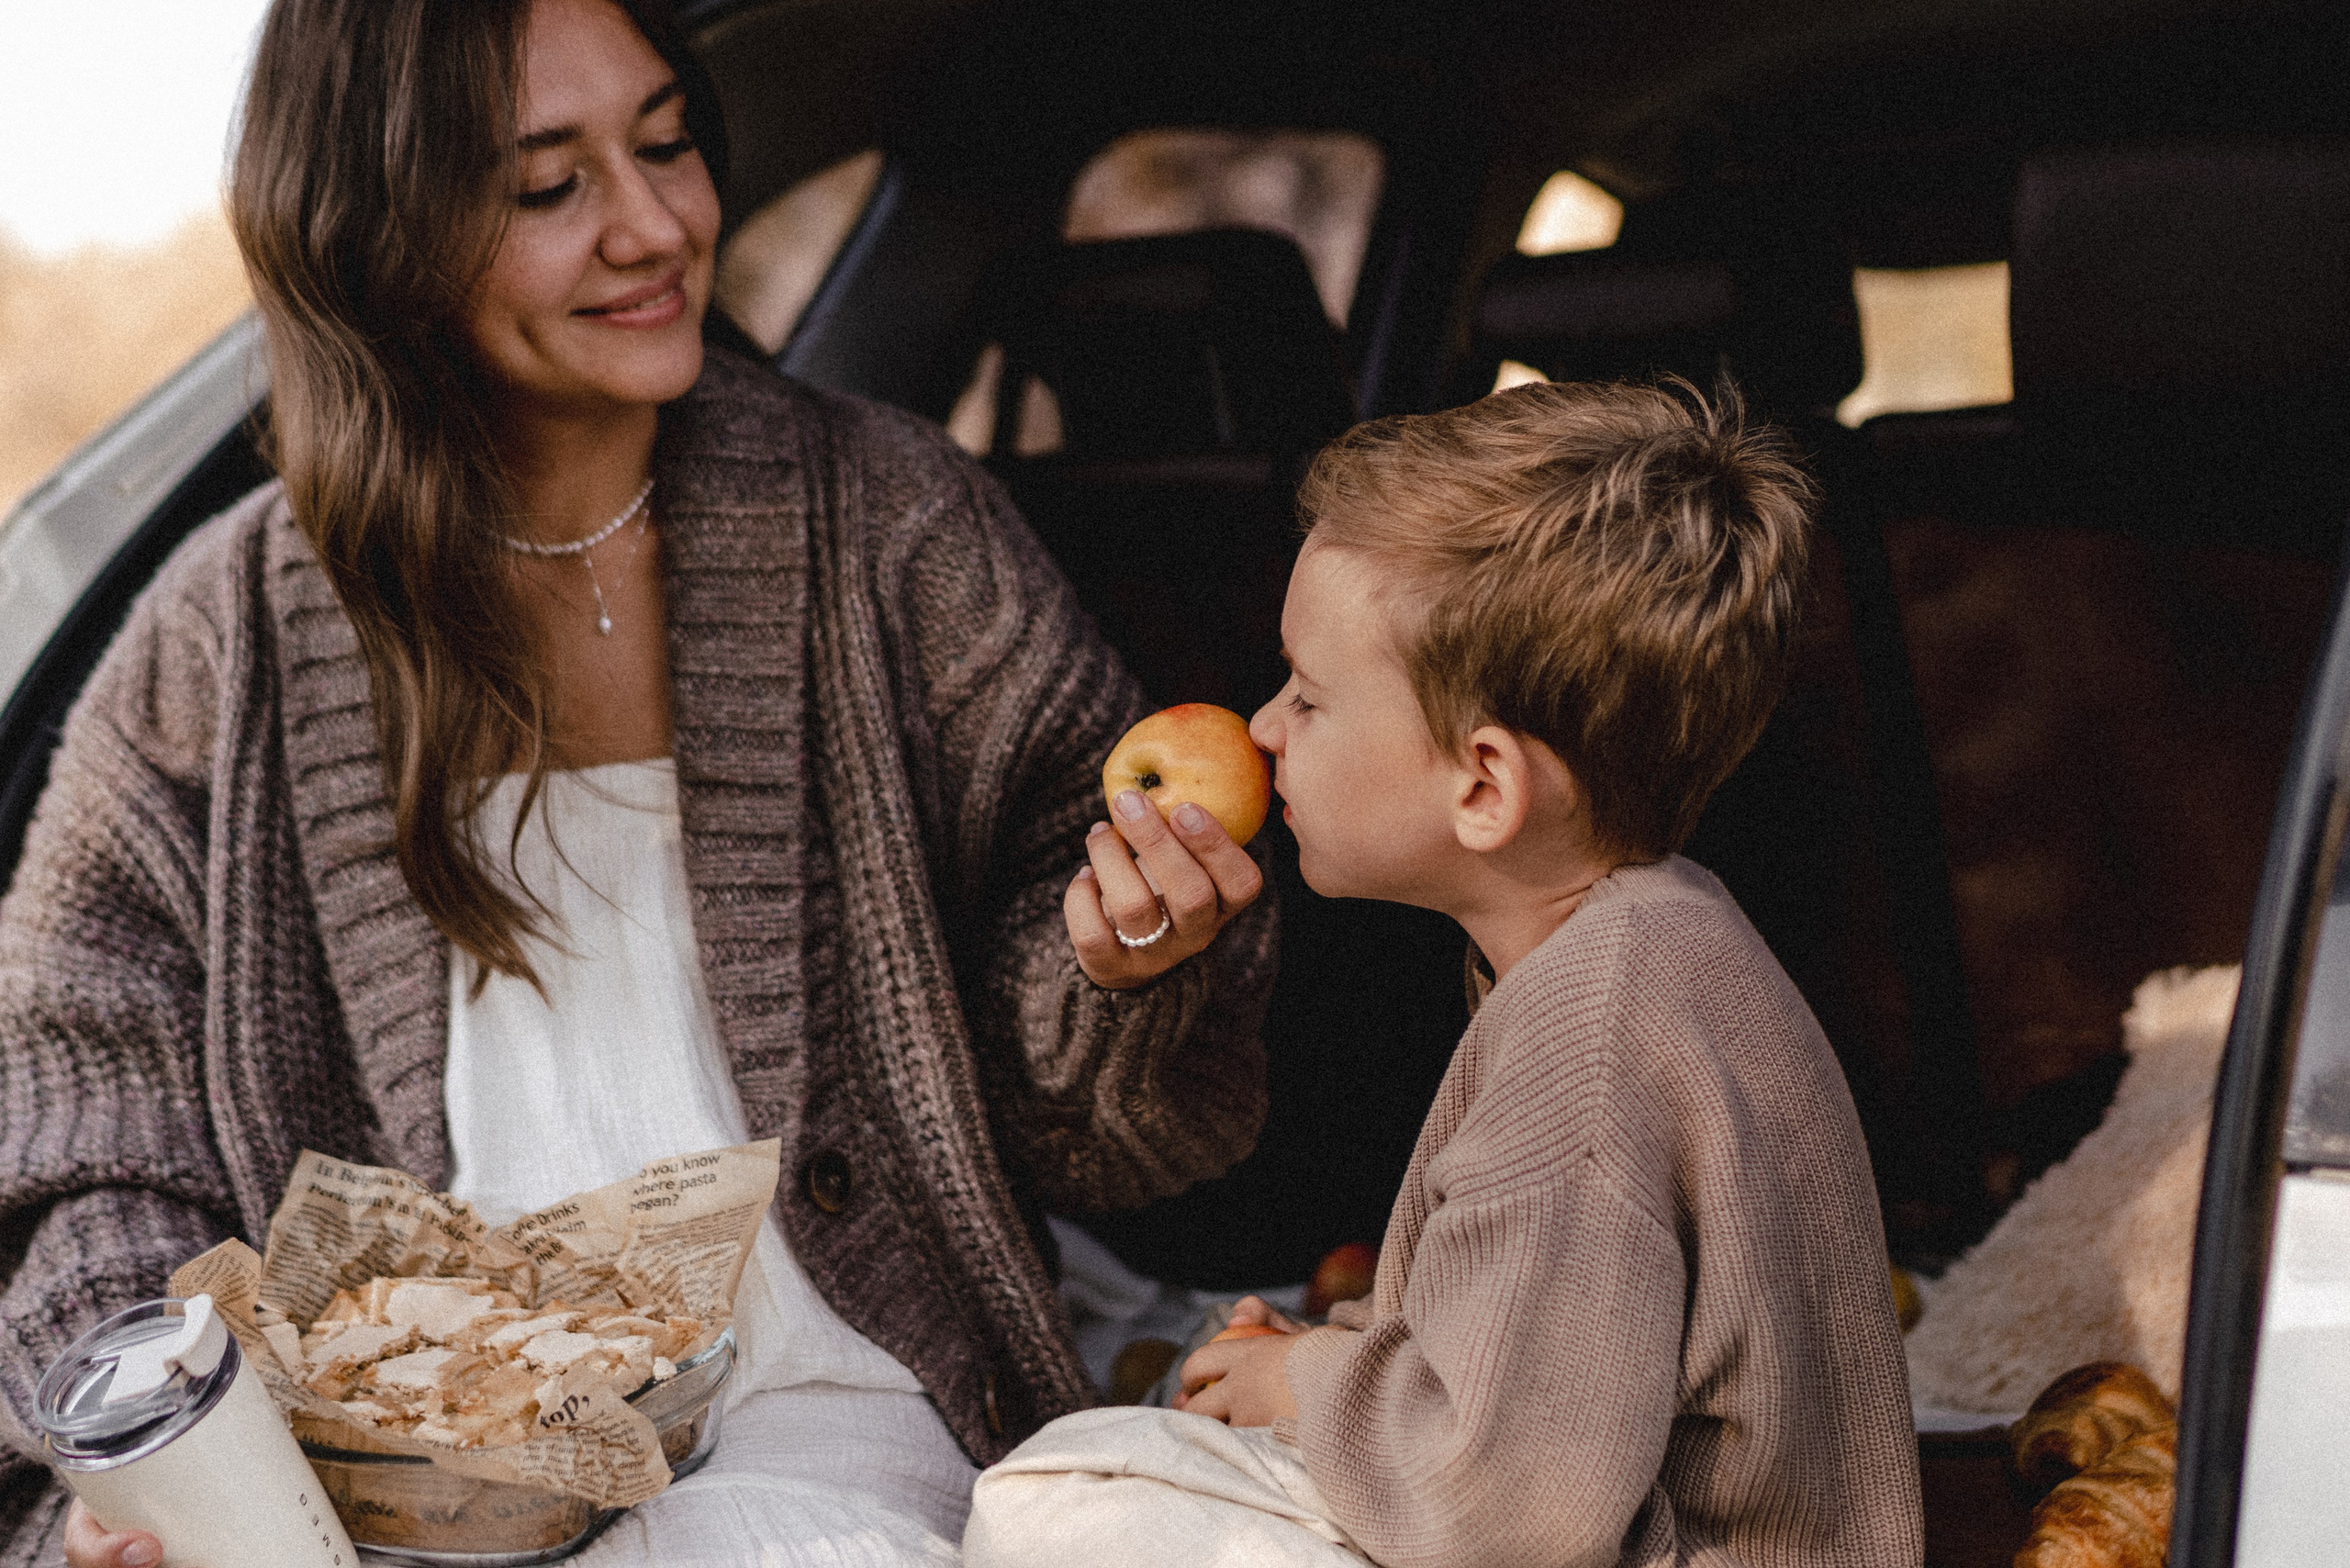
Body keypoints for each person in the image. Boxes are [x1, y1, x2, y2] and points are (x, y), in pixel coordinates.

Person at [0, 0, 1276, 1563]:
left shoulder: (890, 529)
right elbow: (78, 1121)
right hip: (404, 1479)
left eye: (667, 144)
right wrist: (164, 1443)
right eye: (551, 188)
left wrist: (1120, 970)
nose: (659, 224)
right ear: (377, 237)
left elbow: (1114, 1122)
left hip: (836, 1400)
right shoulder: (224, 636)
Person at [962, 379, 1925, 1567]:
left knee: (1056, 1499)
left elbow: (1498, 1506)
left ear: (1483, 787)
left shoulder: (1590, 1050)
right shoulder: (1663, 942)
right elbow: (1547, 1338)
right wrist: (1346, 1351)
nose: (1261, 729)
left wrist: (1310, 1385)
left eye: (1308, 696)